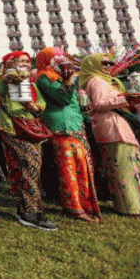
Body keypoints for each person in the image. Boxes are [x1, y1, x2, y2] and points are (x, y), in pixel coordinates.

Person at [79, 54, 140, 220]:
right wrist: (126, 98)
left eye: (111, 63)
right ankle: (134, 209)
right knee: (126, 171)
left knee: (128, 169)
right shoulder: (96, 80)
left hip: (114, 128)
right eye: (104, 63)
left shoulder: (103, 80)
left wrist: (127, 100)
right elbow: (99, 104)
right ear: (93, 64)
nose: (109, 66)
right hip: (112, 129)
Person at [35, 47, 100, 223]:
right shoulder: (44, 77)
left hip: (74, 125)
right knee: (69, 168)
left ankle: (85, 204)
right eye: (55, 57)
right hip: (61, 127)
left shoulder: (58, 77)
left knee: (82, 166)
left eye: (61, 56)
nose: (60, 59)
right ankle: (74, 207)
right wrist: (68, 80)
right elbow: (62, 98)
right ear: (46, 60)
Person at [0, 51, 57, 230]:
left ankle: (32, 209)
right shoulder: (3, 79)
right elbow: (0, 87)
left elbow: (41, 102)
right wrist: (10, 71)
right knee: (29, 164)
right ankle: (29, 212)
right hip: (12, 126)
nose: (23, 65)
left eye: (26, 62)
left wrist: (34, 107)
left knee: (34, 168)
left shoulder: (30, 82)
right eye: (18, 61)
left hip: (31, 126)